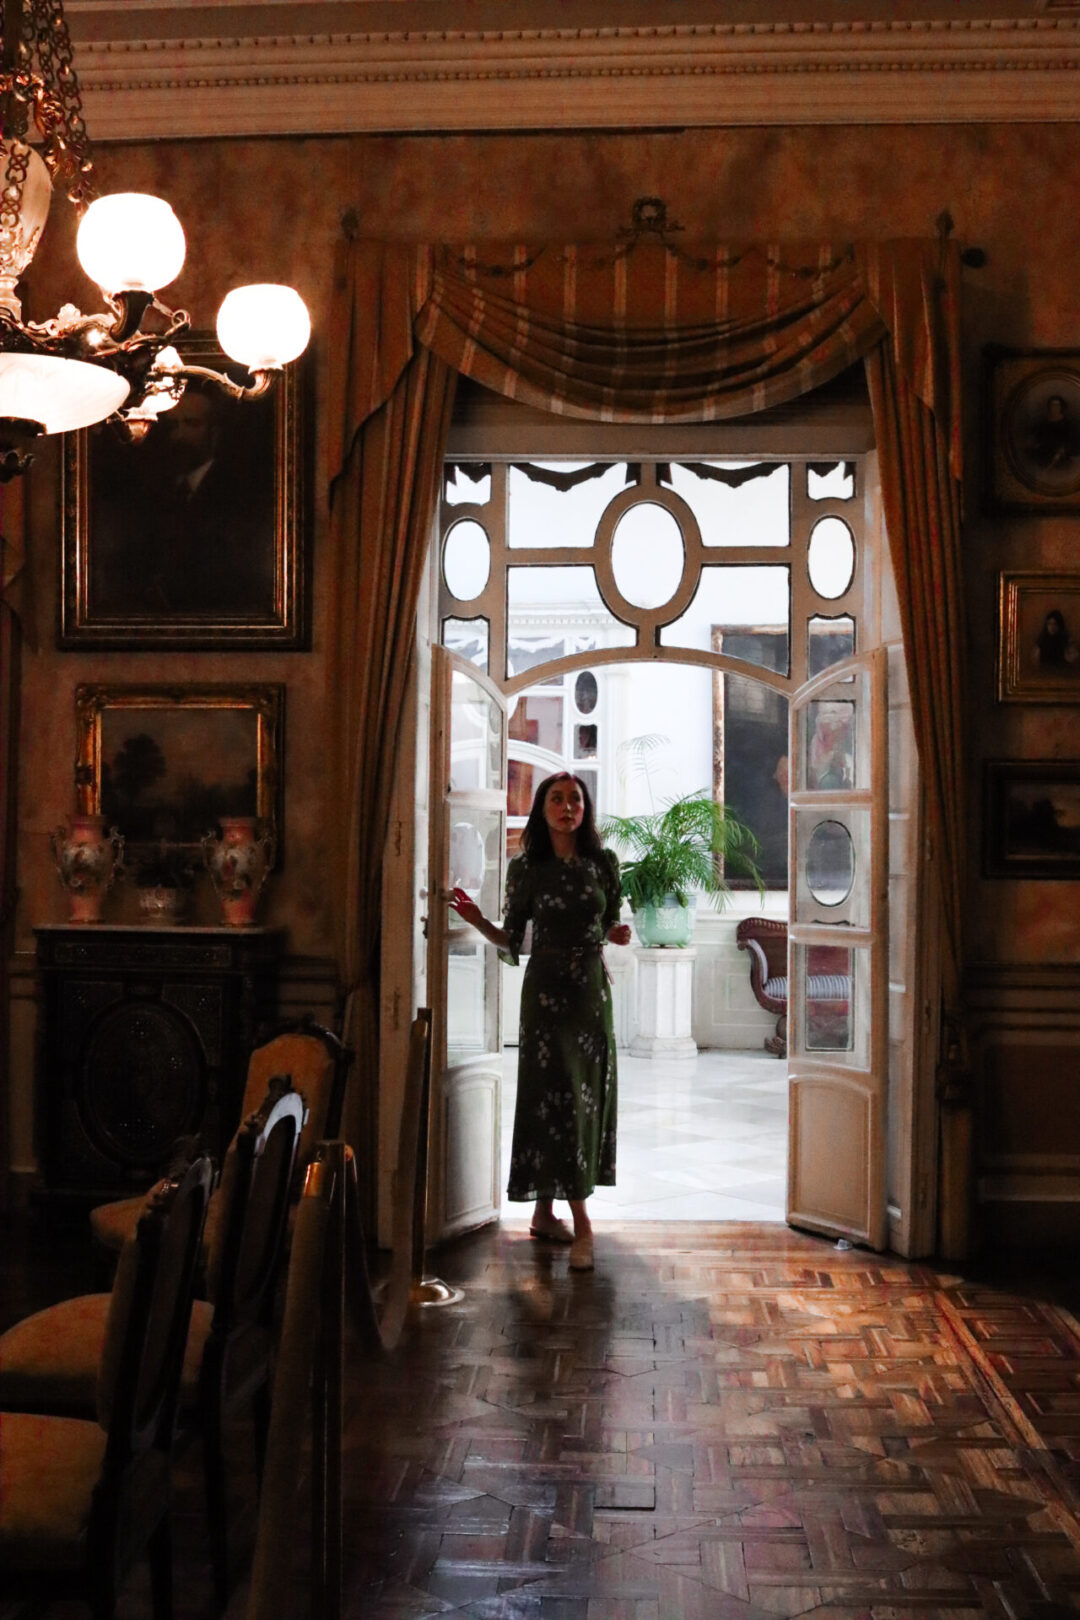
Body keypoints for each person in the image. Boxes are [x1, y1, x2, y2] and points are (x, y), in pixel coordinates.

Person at [448, 772, 632, 1273]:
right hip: (546, 994)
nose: (567, 806)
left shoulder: (604, 863)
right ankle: (579, 1224)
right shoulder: (526, 868)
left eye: (575, 799)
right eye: (557, 798)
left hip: (590, 995)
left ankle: (547, 1214)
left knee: (581, 1100)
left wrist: (615, 933)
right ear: (541, 808)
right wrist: (473, 919)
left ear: (585, 809)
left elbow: (610, 920)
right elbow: (512, 938)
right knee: (551, 1098)